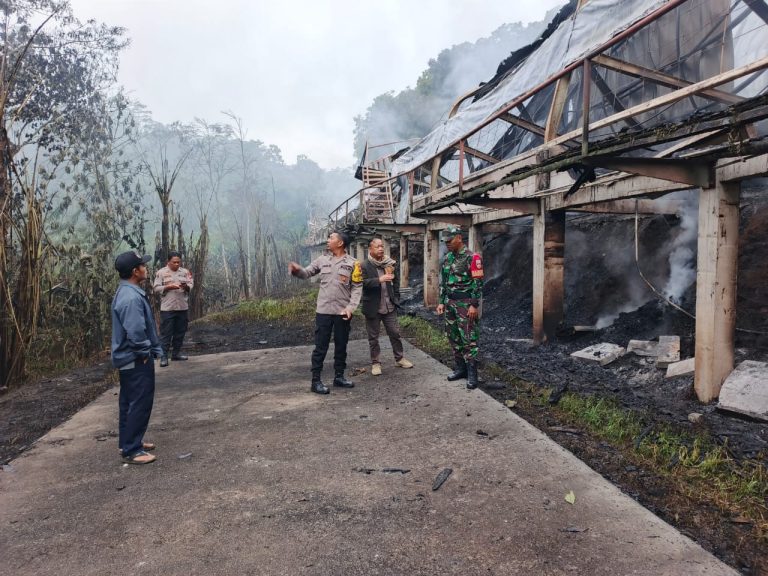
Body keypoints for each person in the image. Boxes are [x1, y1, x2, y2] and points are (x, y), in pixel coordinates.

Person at [288, 231, 363, 394]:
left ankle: (339, 377)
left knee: (341, 345)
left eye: (331, 238)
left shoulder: (353, 263)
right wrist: (296, 270)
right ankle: (316, 381)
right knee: (320, 347)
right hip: (323, 311)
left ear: (341, 243)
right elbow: (306, 273)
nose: (328, 240)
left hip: (342, 311)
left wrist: (351, 308)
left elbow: (357, 288)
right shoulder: (322, 260)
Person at [111, 251, 164, 465]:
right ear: (135, 271)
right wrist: (144, 353)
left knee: (129, 401)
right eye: (143, 265)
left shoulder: (126, 292)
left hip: (127, 357)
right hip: (135, 358)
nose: (146, 268)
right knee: (139, 401)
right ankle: (133, 450)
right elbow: (135, 331)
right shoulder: (131, 298)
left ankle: (129, 442)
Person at [435, 225, 484, 389]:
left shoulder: (473, 257)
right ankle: (460, 369)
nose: (447, 243)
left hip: (465, 305)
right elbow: (444, 282)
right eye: (445, 241)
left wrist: (474, 305)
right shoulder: (448, 258)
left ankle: (472, 374)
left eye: (449, 240)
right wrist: (442, 301)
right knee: (454, 337)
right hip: (450, 304)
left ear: (459, 238)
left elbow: (478, 283)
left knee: (469, 339)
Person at [361, 237, 414, 375]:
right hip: (373, 307)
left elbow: (395, 282)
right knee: (373, 337)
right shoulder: (364, 265)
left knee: (395, 333)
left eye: (382, 246)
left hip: (389, 305)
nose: (380, 249)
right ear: (370, 249)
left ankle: (399, 358)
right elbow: (362, 283)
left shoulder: (389, 263)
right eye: (377, 246)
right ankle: (376, 363)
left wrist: (396, 297)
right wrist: (379, 279)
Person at [153, 251, 194, 367]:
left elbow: (191, 284)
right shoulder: (161, 272)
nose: (176, 264)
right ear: (168, 262)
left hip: (182, 307)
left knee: (180, 331)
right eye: (174, 262)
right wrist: (167, 287)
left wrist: (186, 287)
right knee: (166, 333)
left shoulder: (185, 272)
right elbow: (155, 288)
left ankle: (176, 354)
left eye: (178, 262)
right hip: (168, 308)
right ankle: (164, 357)